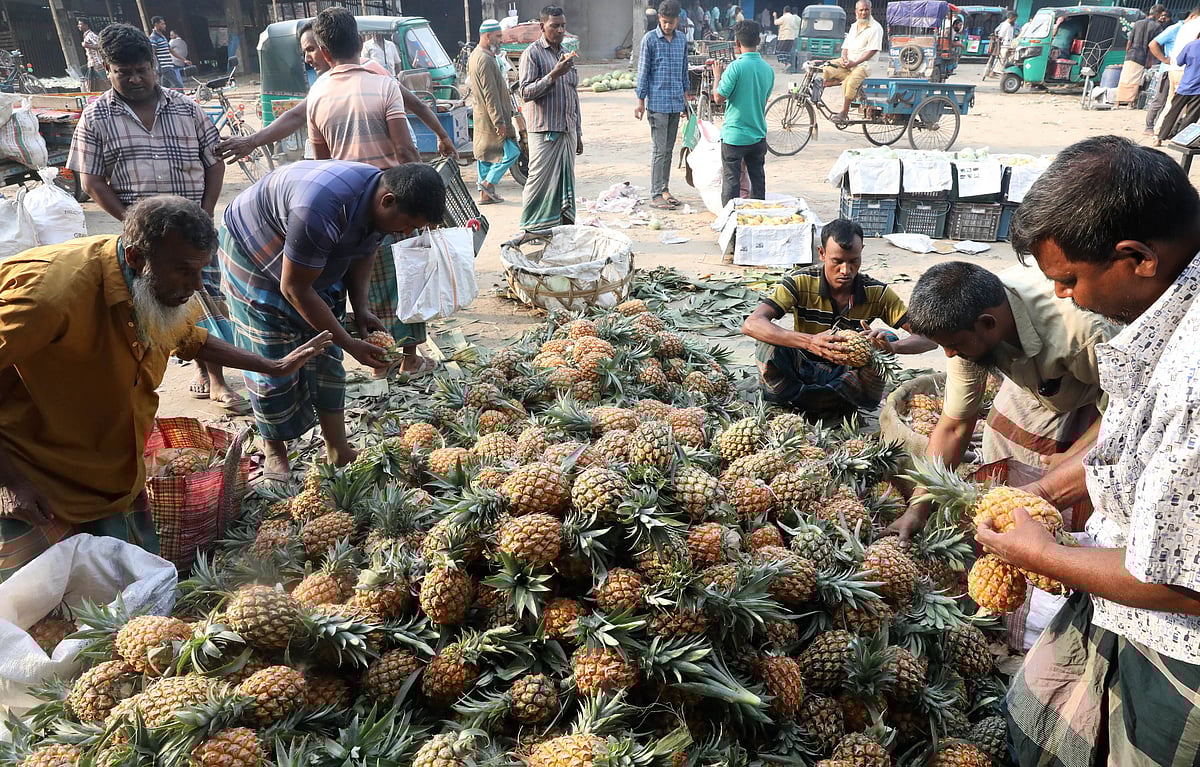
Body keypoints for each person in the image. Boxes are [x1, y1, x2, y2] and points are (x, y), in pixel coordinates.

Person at [991, 135, 1200, 767]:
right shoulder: (1169, 312)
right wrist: (1044, 491)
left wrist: (1042, 554)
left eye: (1070, 280)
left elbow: (1179, 582)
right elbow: (1142, 441)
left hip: (1176, 654)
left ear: (1136, 257)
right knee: (1039, 724)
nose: (1062, 297)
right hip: (1117, 600)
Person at [0, 196, 332, 579]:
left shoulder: (158, 289)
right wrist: (10, 482)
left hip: (111, 469)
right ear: (136, 258)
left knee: (128, 594)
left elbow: (188, 337)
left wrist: (271, 364)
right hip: (34, 475)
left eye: (201, 271)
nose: (195, 286)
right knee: (40, 606)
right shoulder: (52, 294)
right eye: (184, 271)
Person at [891, 260, 1116, 651]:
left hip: (1100, 397)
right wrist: (918, 507)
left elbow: (1124, 418)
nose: (947, 353)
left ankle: (1056, 623)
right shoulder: (969, 330)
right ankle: (1007, 611)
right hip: (1035, 386)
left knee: (1073, 504)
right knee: (1005, 481)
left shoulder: (1084, 331)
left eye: (954, 345)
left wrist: (1066, 467)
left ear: (987, 324)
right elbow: (954, 425)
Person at [218, 161, 445, 481]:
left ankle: (337, 448)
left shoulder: (380, 205)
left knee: (326, 351)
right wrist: (349, 342)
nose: (406, 233)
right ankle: (275, 451)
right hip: (254, 245)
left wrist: (361, 308)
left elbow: (365, 251)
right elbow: (293, 287)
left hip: (305, 250)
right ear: (388, 200)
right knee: (272, 352)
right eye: (407, 225)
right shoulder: (322, 208)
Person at [66, 23, 247, 417]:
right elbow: (92, 182)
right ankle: (161, 379)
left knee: (207, 299)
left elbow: (213, 163)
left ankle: (216, 379)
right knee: (151, 308)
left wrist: (205, 210)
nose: (134, 78)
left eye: (141, 69)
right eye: (123, 71)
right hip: (144, 242)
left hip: (195, 234)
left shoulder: (187, 108)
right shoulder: (96, 117)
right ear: (106, 70)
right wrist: (133, 221)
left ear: (154, 65)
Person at [741, 219, 936, 421]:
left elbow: (929, 338)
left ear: (862, 252)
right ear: (822, 253)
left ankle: (831, 402)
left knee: (886, 337)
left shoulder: (877, 293)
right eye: (837, 261)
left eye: (853, 261)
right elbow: (752, 323)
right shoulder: (800, 282)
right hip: (803, 364)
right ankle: (794, 400)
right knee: (768, 341)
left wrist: (893, 348)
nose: (846, 270)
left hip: (847, 376)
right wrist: (809, 341)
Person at [213, 22, 457, 167]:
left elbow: (416, 105)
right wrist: (251, 141)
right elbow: (297, 116)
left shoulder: (371, 71)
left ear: (326, 50)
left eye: (311, 50)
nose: (308, 59)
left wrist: (443, 136)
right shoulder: (324, 87)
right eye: (304, 52)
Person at [514, 5, 582, 239]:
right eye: (555, 26)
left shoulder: (565, 54)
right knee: (539, 182)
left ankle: (560, 228)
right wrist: (553, 75)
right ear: (542, 27)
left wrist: (578, 132)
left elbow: (573, 94)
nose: (560, 30)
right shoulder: (532, 54)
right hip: (544, 130)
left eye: (563, 25)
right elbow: (525, 92)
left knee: (565, 181)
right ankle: (531, 229)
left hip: (566, 130)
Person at [635, 0, 689, 211]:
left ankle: (665, 189)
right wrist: (640, 101)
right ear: (659, 19)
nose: (667, 26)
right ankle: (656, 194)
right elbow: (643, 72)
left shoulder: (682, 40)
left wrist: (686, 100)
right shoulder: (649, 40)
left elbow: (684, 72)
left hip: (676, 103)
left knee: (668, 150)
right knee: (659, 150)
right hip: (657, 103)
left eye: (671, 22)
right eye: (664, 22)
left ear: (678, 20)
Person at [713, 20, 774, 206]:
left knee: (732, 182)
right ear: (759, 41)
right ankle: (757, 220)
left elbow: (718, 98)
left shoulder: (735, 67)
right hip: (757, 135)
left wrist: (717, 76)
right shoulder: (768, 70)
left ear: (736, 43)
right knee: (757, 181)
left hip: (734, 136)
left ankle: (729, 224)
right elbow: (762, 101)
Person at [471, 20, 520, 205]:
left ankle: (484, 194)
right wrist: (499, 122)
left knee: (485, 154)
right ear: (487, 36)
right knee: (512, 152)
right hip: (492, 118)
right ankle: (487, 183)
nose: (501, 40)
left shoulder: (479, 55)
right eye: (498, 36)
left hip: (484, 116)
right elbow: (490, 93)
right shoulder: (484, 60)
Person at [822, 0, 884, 123]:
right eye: (861, 10)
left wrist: (854, 63)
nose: (864, 12)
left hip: (863, 65)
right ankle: (836, 82)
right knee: (827, 67)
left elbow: (871, 51)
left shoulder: (876, 28)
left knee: (850, 83)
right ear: (856, 11)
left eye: (866, 9)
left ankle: (844, 113)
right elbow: (846, 47)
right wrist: (844, 57)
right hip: (848, 62)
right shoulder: (854, 26)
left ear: (870, 10)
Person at [1149, 6, 1200, 133]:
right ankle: (1172, 134)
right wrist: (1165, 59)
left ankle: (1160, 133)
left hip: (1176, 68)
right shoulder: (1178, 28)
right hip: (1182, 71)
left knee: (1171, 104)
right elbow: (1153, 44)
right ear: (1194, 16)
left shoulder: (1183, 28)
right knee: (1175, 105)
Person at [1156, 29, 1200, 145]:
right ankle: (1181, 140)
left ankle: (1160, 138)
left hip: (1185, 85)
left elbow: (1179, 61)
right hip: (1198, 90)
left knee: (1172, 112)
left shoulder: (1191, 45)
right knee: (1191, 116)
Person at [1116, 5, 1165, 106]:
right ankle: (1130, 103)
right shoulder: (1157, 27)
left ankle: (1118, 101)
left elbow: (1129, 41)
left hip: (1131, 54)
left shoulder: (1137, 23)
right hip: (1142, 56)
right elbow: (1153, 46)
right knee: (1135, 79)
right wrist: (1150, 60)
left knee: (1124, 77)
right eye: (1160, 14)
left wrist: (1127, 53)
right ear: (1157, 14)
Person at [149, 16, 181, 89]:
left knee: (164, 88)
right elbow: (152, 53)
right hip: (164, 67)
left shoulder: (162, 37)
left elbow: (171, 50)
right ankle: (184, 100)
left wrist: (183, 59)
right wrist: (153, 69)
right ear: (156, 24)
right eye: (162, 24)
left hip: (168, 66)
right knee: (178, 86)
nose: (164, 26)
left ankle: (162, 100)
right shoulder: (153, 37)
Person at [78, 19, 108, 92]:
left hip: (97, 62)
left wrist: (87, 45)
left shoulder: (91, 35)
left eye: (80, 24)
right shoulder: (86, 35)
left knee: (103, 79)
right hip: (92, 63)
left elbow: (100, 46)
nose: (79, 26)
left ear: (86, 25)